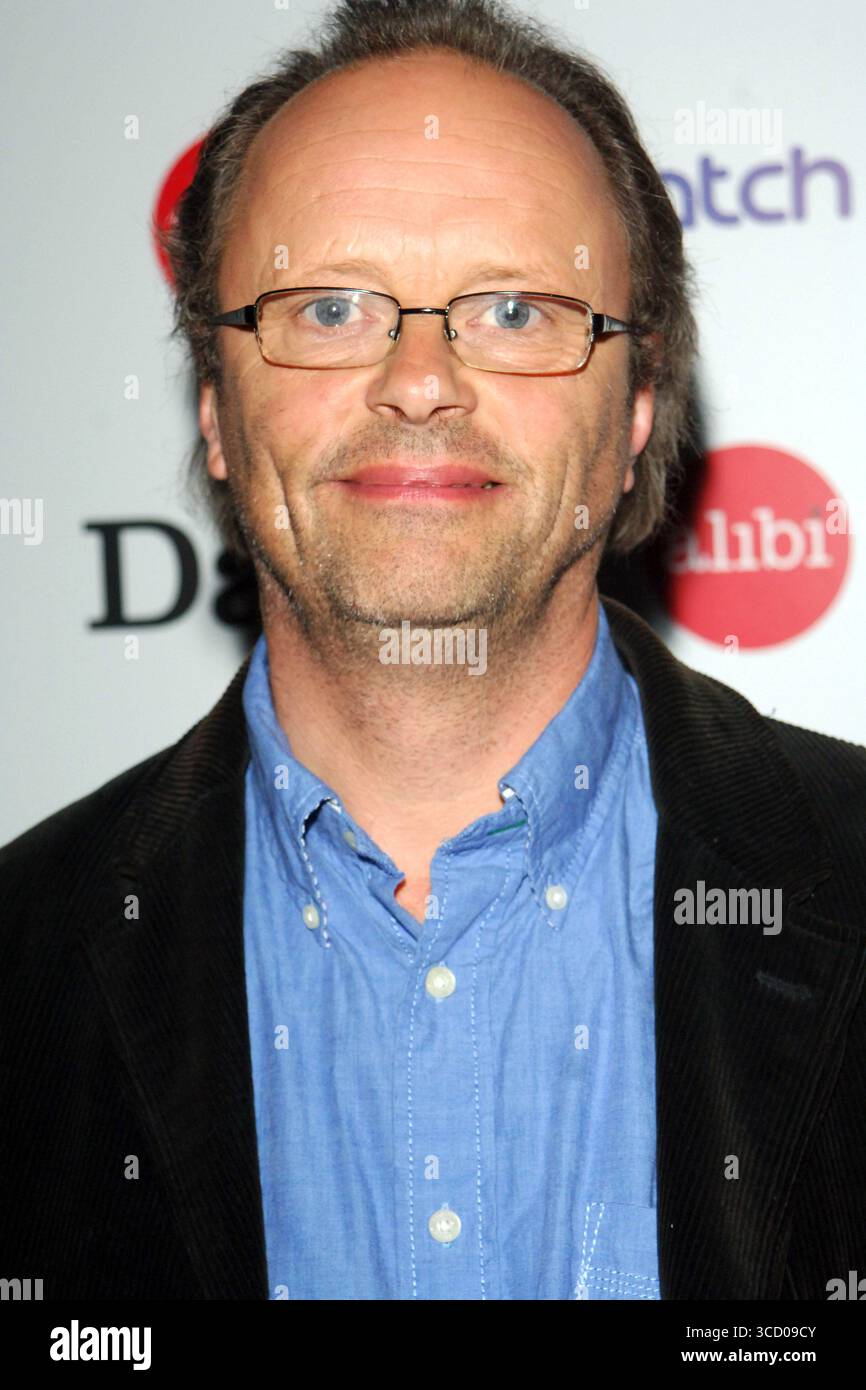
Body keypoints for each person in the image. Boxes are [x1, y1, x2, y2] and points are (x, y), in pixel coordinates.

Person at [2, 0, 864, 1302]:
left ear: (636, 407)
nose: (418, 379)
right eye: (331, 303)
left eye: (514, 308)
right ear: (215, 412)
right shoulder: (21, 965)